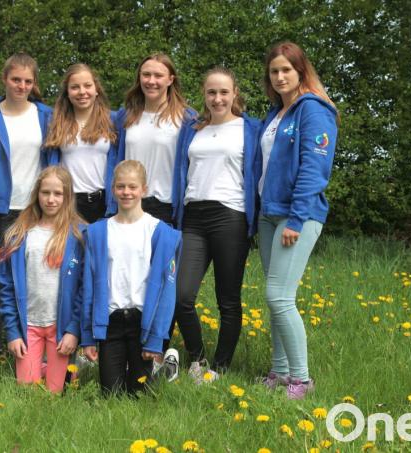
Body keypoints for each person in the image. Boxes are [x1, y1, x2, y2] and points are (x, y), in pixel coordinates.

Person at [255, 41, 339, 399]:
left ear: (301, 72)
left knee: (279, 297)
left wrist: (297, 218)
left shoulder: (313, 110)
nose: (279, 77)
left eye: (286, 70)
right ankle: (279, 371)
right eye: (274, 71)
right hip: (268, 215)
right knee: (274, 298)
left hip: (296, 217)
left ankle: (301, 380)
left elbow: (314, 168)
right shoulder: (276, 115)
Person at [171, 67, 259, 383]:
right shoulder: (193, 129)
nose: (218, 98)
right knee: (181, 296)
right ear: (204, 95)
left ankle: (219, 369)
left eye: (224, 92)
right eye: (211, 92)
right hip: (193, 217)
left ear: (235, 93)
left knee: (228, 300)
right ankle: (197, 358)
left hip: (230, 217)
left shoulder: (251, 129)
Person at [80, 160, 181, 396]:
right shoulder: (97, 232)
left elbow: (167, 292)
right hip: (112, 323)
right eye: (121, 186)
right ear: (113, 189)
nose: (126, 192)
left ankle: (165, 366)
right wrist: (87, 337)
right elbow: (88, 288)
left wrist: (156, 339)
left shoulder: (160, 232)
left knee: (139, 394)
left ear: (144, 189)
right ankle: (160, 368)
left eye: (133, 187)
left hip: (142, 324)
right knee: (111, 395)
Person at [0, 53, 58, 354]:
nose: (21, 86)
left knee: (38, 276)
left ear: (34, 83)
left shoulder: (45, 115)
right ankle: (1, 347)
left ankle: (36, 341)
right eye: (16, 80)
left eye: (27, 81)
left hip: (36, 210)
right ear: (4, 79)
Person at [0, 166, 85, 394]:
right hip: (29, 327)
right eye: (46, 192)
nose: (51, 199)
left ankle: (64, 369)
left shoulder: (78, 235)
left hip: (60, 328)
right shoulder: (19, 234)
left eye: (58, 194)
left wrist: (73, 331)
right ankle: (40, 366)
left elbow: (84, 290)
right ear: (37, 193)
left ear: (67, 197)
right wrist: (13, 333)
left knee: (56, 393)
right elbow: (6, 287)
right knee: (27, 390)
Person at [115, 53, 195, 226]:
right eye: (146, 75)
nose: (151, 81)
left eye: (158, 76)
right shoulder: (125, 116)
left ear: (170, 79)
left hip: (165, 207)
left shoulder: (186, 119)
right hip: (128, 203)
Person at [44, 63, 118, 223]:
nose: (82, 92)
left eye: (87, 86)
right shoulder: (56, 122)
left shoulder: (113, 120)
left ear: (96, 89)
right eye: (75, 87)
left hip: (103, 203)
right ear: (67, 93)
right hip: (68, 202)